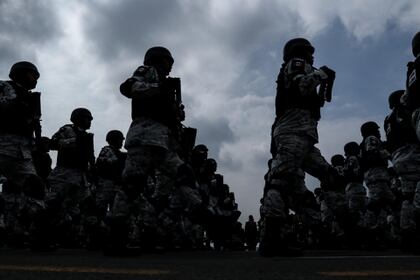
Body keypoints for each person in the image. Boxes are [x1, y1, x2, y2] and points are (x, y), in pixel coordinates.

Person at [259, 38, 336, 257]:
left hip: (305, 136)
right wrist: (321, 74)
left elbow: (315, 101)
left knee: (329, 176)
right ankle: (271, 239)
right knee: (280, 181)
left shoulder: (302, 65)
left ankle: (325, 230)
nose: (312, 57)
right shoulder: (297, 63)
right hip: (293, 132)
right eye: (309, 53)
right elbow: (301, 86)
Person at [119, 46, 184, 250]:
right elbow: (129, 87)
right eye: (168, 60)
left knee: (183, 175)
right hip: (144, 136)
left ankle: (148, 232)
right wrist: (158, 91)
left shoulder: (166, 83)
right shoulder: (147, 72)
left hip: (163, 142)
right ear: (157, 59)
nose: (171, 64)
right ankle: (117, 233)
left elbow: (171, 116)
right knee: (131, 186)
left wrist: (175, 112)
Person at [0, 61, 43, 247]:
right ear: (19, 74)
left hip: (21, 150)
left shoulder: (30, 97)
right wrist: (22, 102)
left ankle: (22, 230)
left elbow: (32, 126)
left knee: (34, 187)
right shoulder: (5, 86)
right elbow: (5, 106)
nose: (36, 79)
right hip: (3, 142)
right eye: (33, 74)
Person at [48, 107, 95, 247]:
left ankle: (86, 236)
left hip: (80, 176)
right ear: (78, 118)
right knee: (55, 205)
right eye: (87, 118)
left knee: (88, 206)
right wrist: (72, 142)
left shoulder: (87, 136)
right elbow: (53, 143)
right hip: (64, 174)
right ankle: (43, 234)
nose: (90, 121)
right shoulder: (67, 129)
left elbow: (90, 158)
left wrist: (92, 171)